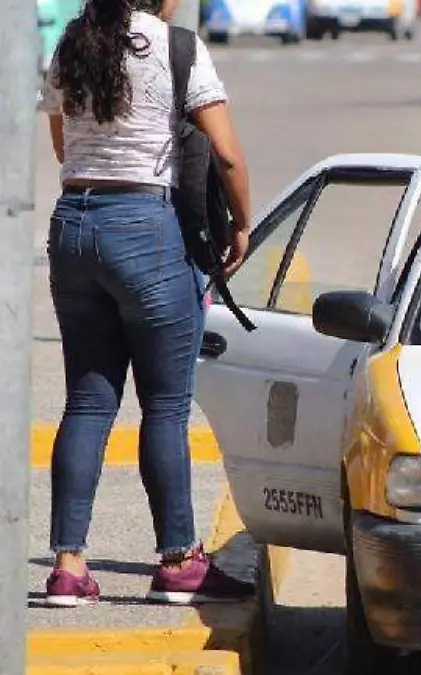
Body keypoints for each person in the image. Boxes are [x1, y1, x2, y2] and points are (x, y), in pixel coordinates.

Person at [37, 0, 254, 606]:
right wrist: (241, 224)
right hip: (145, 224)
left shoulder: (73, 44)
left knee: (86, 398)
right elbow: (227, 154)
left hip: (73, 224)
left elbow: (62, 140)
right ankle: (179, 560)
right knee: (163, 404)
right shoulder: (176, 47)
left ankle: (68, 567)